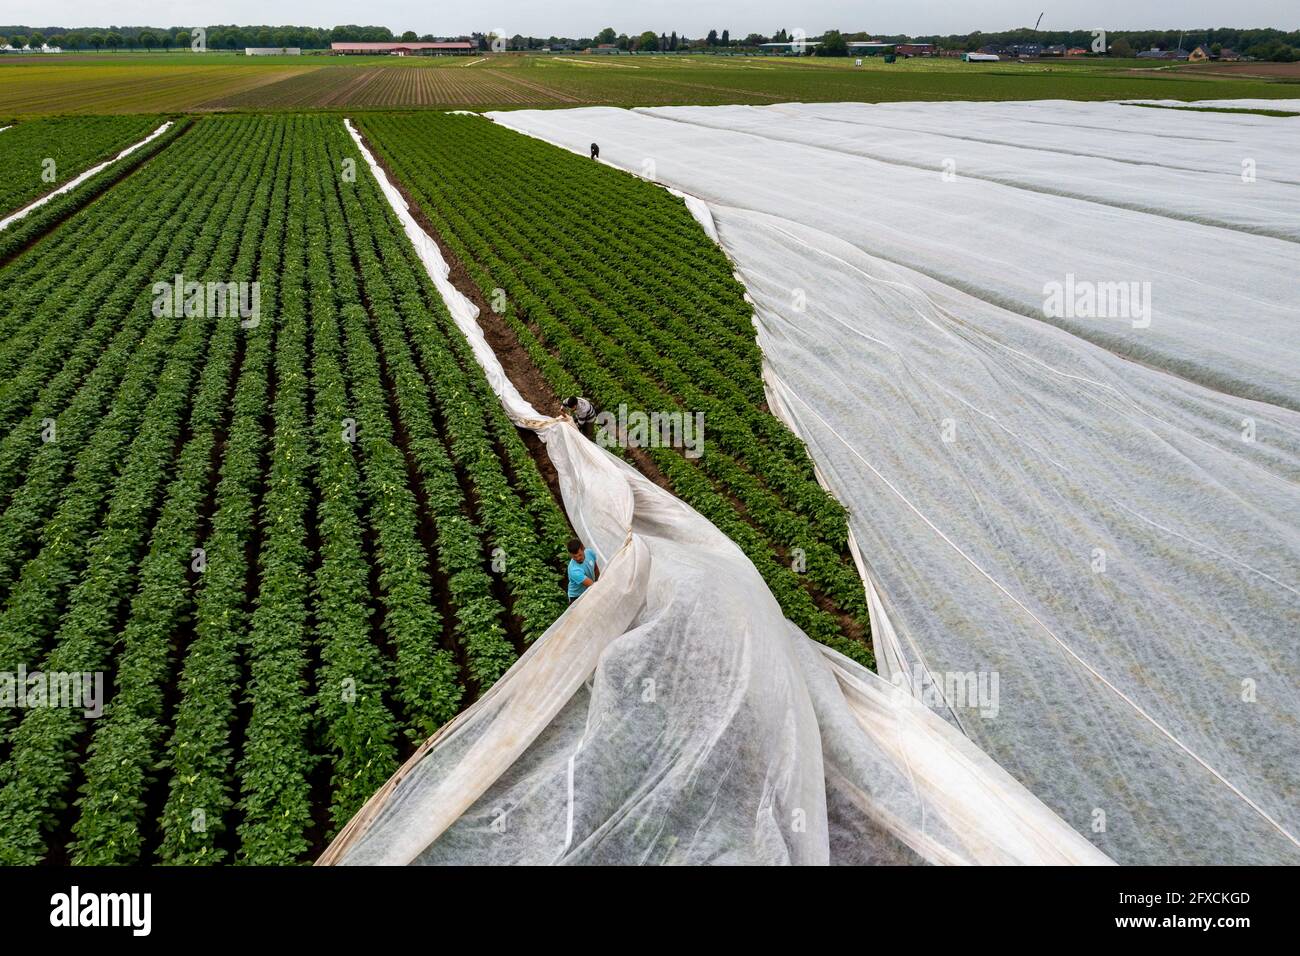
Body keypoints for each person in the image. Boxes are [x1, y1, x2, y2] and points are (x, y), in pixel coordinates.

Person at [567, 537, 599, 603]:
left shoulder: (589, 553)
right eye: (574, 557)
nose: (578, 558)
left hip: (588, 589)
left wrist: (598, 580)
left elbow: (595, 569)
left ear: (583, 549)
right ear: (570, 555)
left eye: (580, 555)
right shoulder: (573, 570)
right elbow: (591, 585)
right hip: (577, 596)